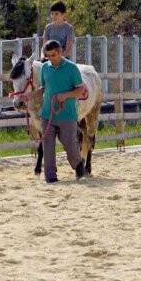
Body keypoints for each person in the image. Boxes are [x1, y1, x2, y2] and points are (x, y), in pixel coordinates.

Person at [40, 39, 86, 183]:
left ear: (60, 52)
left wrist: (65, 95)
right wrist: (28, 95)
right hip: (48, 114)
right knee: (47, 145)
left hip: (67, 114)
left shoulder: (72, 68)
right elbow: (43, 89)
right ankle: (51, 176)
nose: (50, 59)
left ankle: (78, 165)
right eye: (47, 56)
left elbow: (81, 90)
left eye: (53, 55)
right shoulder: (45, 68)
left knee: (70, 145)